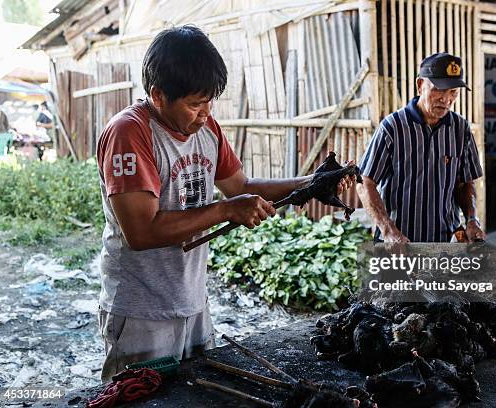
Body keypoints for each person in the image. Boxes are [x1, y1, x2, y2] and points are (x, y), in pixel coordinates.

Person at [96, 25, 355, 382]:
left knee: (195, 393)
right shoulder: (130, 132)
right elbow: (141, 231)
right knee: (142, 399)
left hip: (193, 301)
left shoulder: (207, 129)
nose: (205, 113)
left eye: (209, 102)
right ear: (157, 95)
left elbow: (241, 186)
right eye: (194, 104)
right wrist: (224, 210)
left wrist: (310, 183)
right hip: (142, 310)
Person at [357, 52, 485, 243]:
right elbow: (364, 182)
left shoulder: (460, 129)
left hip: (446, 243)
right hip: (399, 244)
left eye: (453, 92)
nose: (446, 99)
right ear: (420, 85)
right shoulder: (393, 127)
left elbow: (464, 183)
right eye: (439, 90)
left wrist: (471, 220)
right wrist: (387, 229)